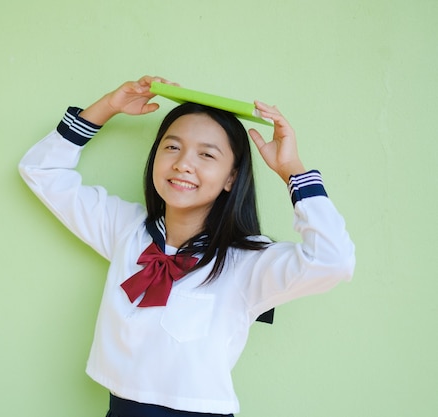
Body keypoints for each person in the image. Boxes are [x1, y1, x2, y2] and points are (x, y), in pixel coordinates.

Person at [18, 75, 355, 416]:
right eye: (172, 147)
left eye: (206, 155)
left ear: (231, 178)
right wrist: (106, 107)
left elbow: (334, 260)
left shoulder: (247, 260)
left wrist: (291, 171)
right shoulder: (127, 229)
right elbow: (40, 170)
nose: (183, 164)